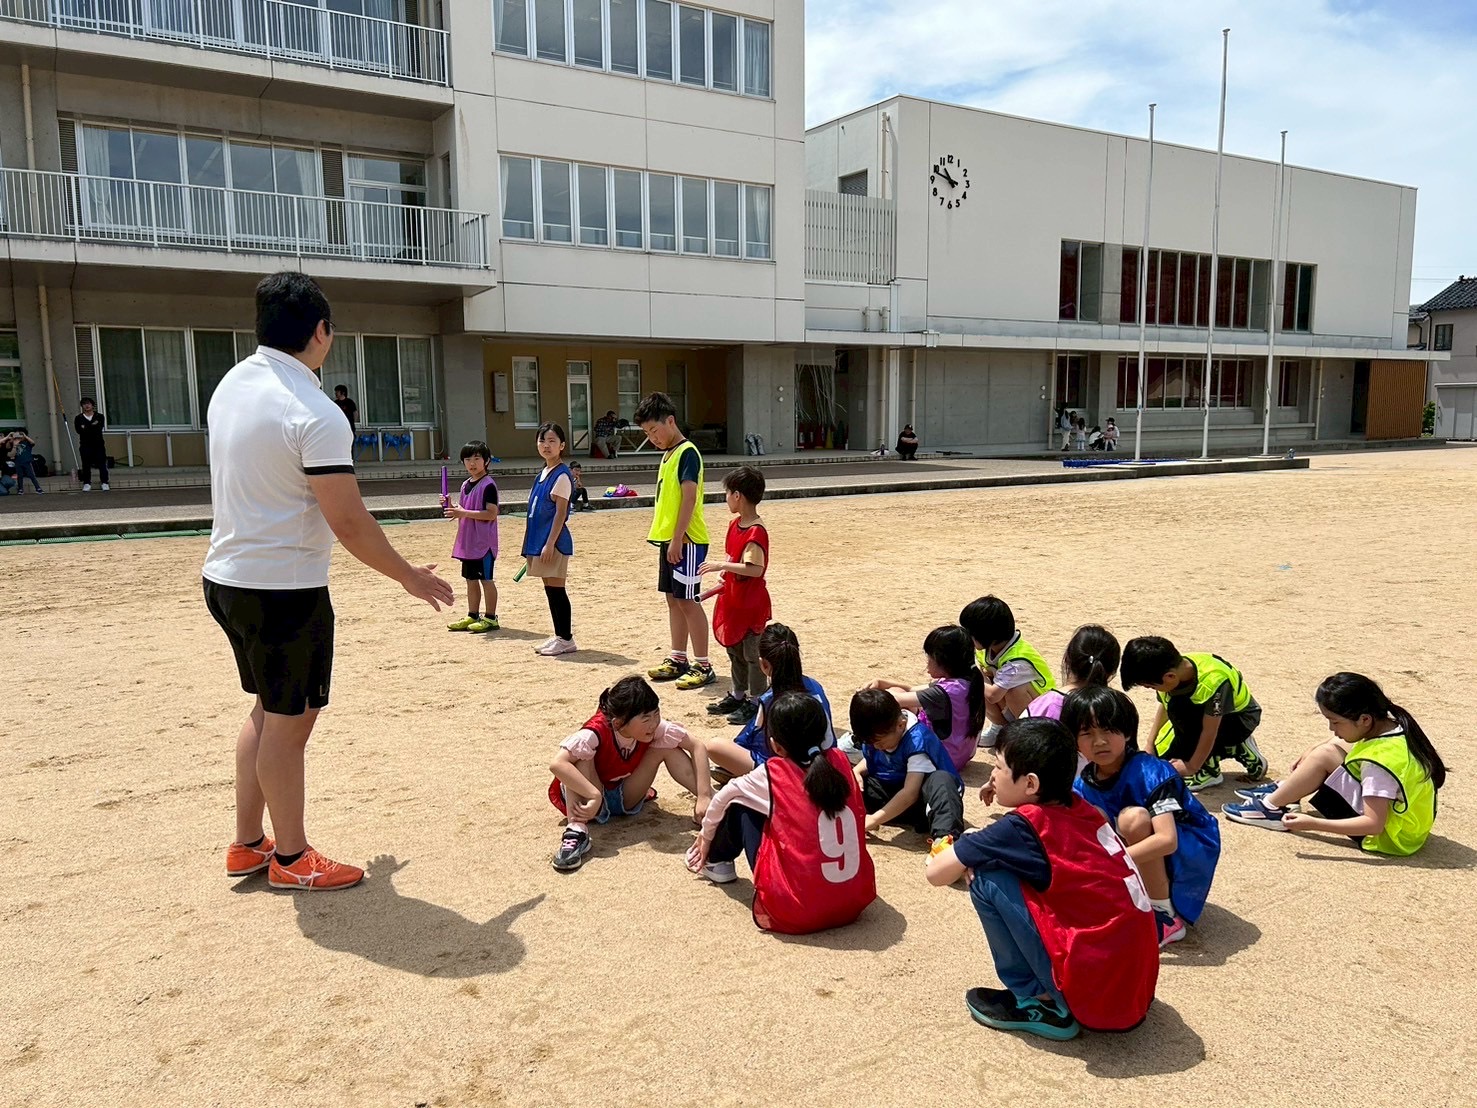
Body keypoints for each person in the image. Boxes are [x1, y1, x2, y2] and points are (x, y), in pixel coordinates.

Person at [204, 271, 453, 892]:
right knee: (290, 725)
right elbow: (347, 518)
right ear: (321, 332)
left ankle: (248, 844)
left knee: (266, 711)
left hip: (227, 578)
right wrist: (408, 576)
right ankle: (291, 857)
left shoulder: (233, 384)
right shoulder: (313, 409)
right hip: (283, 591)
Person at [927, 717, 1158, 1040]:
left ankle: (1040, 1001)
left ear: (1031, 784)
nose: (992, 774)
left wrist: (958, 851)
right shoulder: (1084, 808)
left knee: (985, 875)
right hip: (1132, 986)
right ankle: (1055, 991)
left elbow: (936, 874)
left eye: (999, 767)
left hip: (1097, 991)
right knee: (1008, 867)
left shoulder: (1023, 825)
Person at [688, 693, 877, 933]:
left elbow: (723, 798)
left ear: (776, 745)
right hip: (853, 902)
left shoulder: (772, 772)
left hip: (797, 911)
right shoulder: (840, 761)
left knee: (741, 803)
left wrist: (705, 838)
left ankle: (717, 861)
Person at [1222, 673, 1445, 856]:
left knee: (1324, 755)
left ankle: (1269, 808)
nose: (1331, 728)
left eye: (1335, 721)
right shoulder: (1394, 726)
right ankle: (1288, 789)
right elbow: (1342, 741)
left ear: (1365, 719)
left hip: (1390, 838)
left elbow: (1373, 824)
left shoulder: (1378, 764)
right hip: (1411, 827)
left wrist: (1312, 824)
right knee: (1326, 749)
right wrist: (1314, 749)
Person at [1064, 687, 1221, 948]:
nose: (1099, 741)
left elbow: (1167, 840)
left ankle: (1164, 913)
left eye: (1108, 730)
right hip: (1139, 852)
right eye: (1087, 733)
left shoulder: (1151, 770)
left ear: (1126, 732)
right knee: (1090, 817)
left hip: (1188, 844)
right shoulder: (1083, 783)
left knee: (1133, 819)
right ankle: (1130, 898)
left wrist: (1108, 864)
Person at [547, 675, 712, 872]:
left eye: (656, 713)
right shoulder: (596, 731)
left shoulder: (653, 728)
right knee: (581, 756)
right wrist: (594, 795)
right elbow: (557, 764)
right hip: (588, 802)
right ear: (618, 723)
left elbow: (697, 746)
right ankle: (576, 831)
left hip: (626, 797)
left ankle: (711, 806)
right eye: (645, 718)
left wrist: (703, 795)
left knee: (668, 747)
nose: (653, 723)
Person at [637, 391, 714, 690]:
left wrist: (679, 538)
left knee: (688, 600)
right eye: (647, 434)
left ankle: (703, 664)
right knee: (673, 600)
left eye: (654, 430)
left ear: (670, 421)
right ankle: (678, 657)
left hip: (687, 541)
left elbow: (689, 497)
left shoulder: (687, 452)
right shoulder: (667, 455)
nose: (652, 438)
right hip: (669, 540)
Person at [1120, 635, 1267, 792]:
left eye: (1150, 686)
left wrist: (1192, 766)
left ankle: (1210, 770)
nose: (1152, 689)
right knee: (1161, 760)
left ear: (1170, 677)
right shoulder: (1172, 668)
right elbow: (1165, 705)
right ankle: (1234, 747)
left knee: (1185, 724)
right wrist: (1150, 743)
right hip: (1200, 717)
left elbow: (1210, 730)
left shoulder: (1214, 681)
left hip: (1238, 719)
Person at [708, 623, 835, 778]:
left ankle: (751, 778)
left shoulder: (771, 698)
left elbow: (757, 740)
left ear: (763, 664)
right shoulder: (816, 686)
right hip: (824, 761)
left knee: (714, 746)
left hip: (785, 771)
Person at [848, 687, 965, 852]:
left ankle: (945, 842)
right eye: (871, 743)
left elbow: (910, 793)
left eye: (879, 742)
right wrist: (856, 772)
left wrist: (873, 820)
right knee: (845, 775)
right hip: (893, 795)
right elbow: (874, 759)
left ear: (901, 725)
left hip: (924, 804)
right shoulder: (880, 736)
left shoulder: (917, 740)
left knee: (942, 780)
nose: (876, 747)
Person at [699, 465, 771, 724]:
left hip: (750, 604)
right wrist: (725, 574)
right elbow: (734, 558)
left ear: (738, 495)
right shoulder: (735, 525)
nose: (726, 498)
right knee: (734, 650)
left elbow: (755, 568)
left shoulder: (755, 531)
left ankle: (756, 701)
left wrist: (722, 566)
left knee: (752, 655)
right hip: (733, 599)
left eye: (728, 493)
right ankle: (739, 694)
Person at [864, 624, 985, 772]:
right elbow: (910, 689)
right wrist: (881, 682)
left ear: (943, 661)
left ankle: (869, 746)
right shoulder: (966, 680)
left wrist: (866, 696)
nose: (927, 663)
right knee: (897, 691)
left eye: (929, 658)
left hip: (943, 758)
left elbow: (895, 700)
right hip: (961, 753)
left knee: (890, 710)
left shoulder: (944, 692)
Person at [959, 595, 1056, 747]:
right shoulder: (987, 648)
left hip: (1043, 713)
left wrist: (973, 670)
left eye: (971, 633)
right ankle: (1000, 728)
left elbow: (992, 695)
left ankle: (1029, 736)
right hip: (1012, 707)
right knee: (979, 684)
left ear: (988, 634)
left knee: (1012, 690)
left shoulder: (1017, 660)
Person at [521, 422, 576, 656]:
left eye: (552, 441)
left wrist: (550, 543)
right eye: (542, 440)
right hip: (540, 540)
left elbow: (561, 513)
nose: (546, 445)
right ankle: (559, 635)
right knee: (550, 589)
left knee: (557, 590)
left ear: (562, 445)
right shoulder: (543, 473)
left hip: (553, 543)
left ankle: (566, 638)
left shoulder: (562, 475)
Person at [443, 440, 499, 634]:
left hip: (484, 544)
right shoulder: (466, 484)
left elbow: (491, 514)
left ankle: (491, 618)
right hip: (468, 542)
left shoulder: (488, 485)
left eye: (477, 458)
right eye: (468, 459)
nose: (472, 463)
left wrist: (464, 512)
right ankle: (472, 615)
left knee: (486, 580)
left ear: (487, 461)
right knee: (470, 580)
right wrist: (451, 506)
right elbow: (462, 510)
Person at [1023, 624, 1120, 722]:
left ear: (1067, 660)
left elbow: (1016, 734)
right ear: (1113, 670)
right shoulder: (1119, 707)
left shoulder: (1047, 704)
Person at [75, 397, 108, 491]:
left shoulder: (99, 416)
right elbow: (79, 430)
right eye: (84, 404)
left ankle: (105, 482)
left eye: (88, 403)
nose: (87, 405)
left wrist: (85, 427)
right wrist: (91, 426)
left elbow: (98, 428)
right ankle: (86, 483)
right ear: (82, 406)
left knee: (102, 464)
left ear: (92, 405)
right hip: (85, 445)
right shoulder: (78, 418)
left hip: (98, 444)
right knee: (86, 464)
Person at [10, 430, 42, 494]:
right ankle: (20, 489)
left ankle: (38, 488)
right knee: (20, 476)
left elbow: (33, 442)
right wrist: (14, 441)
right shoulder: (14, 443)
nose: (19, 437)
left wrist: (25, 436)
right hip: (18, 462)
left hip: (27, 461)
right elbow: (11, 454)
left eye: (20, 435)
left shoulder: (27, 443)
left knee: (31, 475)